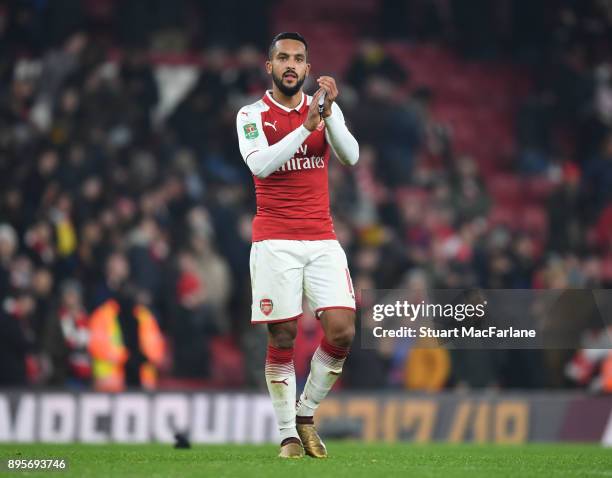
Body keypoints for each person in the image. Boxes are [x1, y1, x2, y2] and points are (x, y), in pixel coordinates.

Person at [236, 32, 359, 459]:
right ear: (268, 66)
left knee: (342, 330)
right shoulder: (251, 115)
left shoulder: (324, 108)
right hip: (274, 239)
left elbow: (351, 156)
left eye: (299, 59)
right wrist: (305, 129)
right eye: (283, 58)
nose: (291, 65)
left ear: (308, 68)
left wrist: (328, 117)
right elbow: (261, 165)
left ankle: (306, 415)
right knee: (284, 333)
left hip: (322, 237)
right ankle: (288, 433)